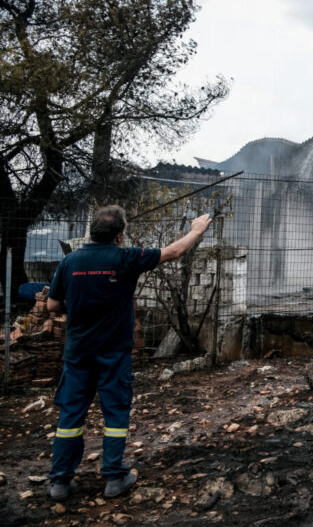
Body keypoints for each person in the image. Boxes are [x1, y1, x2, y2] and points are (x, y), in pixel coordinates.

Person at [47, 206, 213, 501]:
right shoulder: (124, 258)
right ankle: (114, 477)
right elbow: (172, 252)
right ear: (120, 235)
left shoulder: (70, 262)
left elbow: (52, 306)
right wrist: (197, 231)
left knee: (71, 414)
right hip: (113, 353)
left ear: (92, 232)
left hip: (78, 353)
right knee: (115, 413)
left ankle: (60, 482)